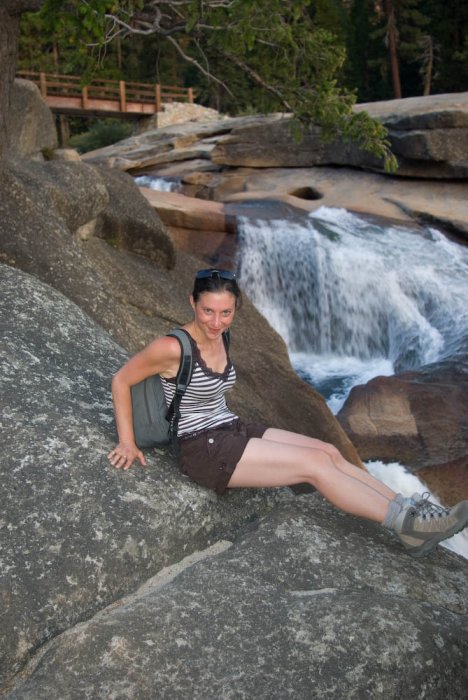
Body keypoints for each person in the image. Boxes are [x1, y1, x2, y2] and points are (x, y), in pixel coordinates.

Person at [108, 268, 468, 559]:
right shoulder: (172, 347)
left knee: (328, 451)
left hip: (228, 426)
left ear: (235, 310)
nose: (215, 322)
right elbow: (121, 380)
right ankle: (406, 524)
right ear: (192, 303)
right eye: (207, 311)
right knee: (314, 467)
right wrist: (127, 441)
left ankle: (410, 511)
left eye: (225, 312)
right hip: (201, 448)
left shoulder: (222, 336)